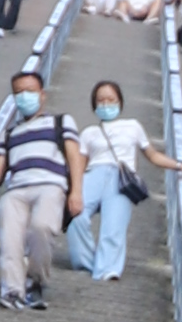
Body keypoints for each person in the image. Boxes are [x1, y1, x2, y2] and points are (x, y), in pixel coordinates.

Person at [0, 59, 75, 309]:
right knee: (10, 239)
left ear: (42, 95)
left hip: (50, 184)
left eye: (30, 91)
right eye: (19, 93)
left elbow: (74, 157)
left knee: (42, 228)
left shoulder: (60, 123)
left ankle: (36, 281)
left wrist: (76, 192)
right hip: (16, 189)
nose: (25, 97)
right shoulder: (9, 134)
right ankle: (12, 289)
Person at [66, 74, 160, 283]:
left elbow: (152, 154)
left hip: (121, 177)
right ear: (94, 105)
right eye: (101, 100)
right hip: (94, 173)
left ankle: (107, 269)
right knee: (75, 216)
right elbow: (79, 162)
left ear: (120, 102)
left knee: (113, 225)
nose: (106, 104)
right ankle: (86, 262)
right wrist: (75, 189)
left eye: (111, 100)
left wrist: (179, 166)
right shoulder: (89, 132)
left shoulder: (132, 126)